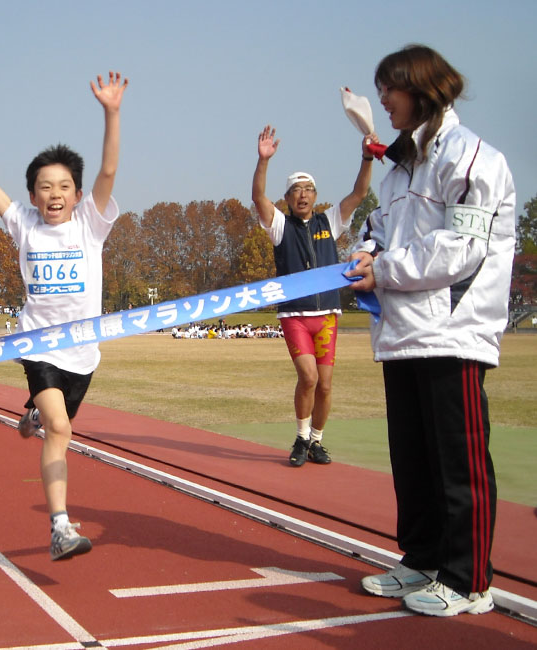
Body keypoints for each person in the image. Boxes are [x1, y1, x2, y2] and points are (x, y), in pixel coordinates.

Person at [347, 45, 515, 617]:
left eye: (389, 89)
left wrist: (384, 268)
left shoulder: (472, 159)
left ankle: (469, 580)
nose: (384, 102)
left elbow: (461, 249)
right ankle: (420, 560)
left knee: (457, 461)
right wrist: (365, 254)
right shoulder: (398, 173)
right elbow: (374, 228)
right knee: (412, 458)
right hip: (402, 334)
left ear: (420, 89)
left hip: (453, 334)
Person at [0, 71, 128, 560]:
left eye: (64, 186)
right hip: (37, 346)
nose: (53, 194)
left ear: (76, 194)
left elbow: (108, 172)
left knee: (52, 425)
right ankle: (60, 528)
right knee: (62, 432)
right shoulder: (24, 225)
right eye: (44, 186)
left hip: (83, 356)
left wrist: (111, 112)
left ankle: (31, 414)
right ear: (31, 195)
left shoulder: (91, 225)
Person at [251, 125, 377, 467]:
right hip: (295, 316)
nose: (302, 195)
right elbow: (259, 198)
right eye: (296, 190)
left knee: (324, 385)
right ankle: (301, 437)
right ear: (289, 198)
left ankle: (316, 441)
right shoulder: (280, 226)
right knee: (307, 377)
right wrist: (263, 161)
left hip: (327, 316)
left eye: (308, 189)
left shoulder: (329, 221)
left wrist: (366, 157)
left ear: (315, 195)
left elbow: (360, 192)